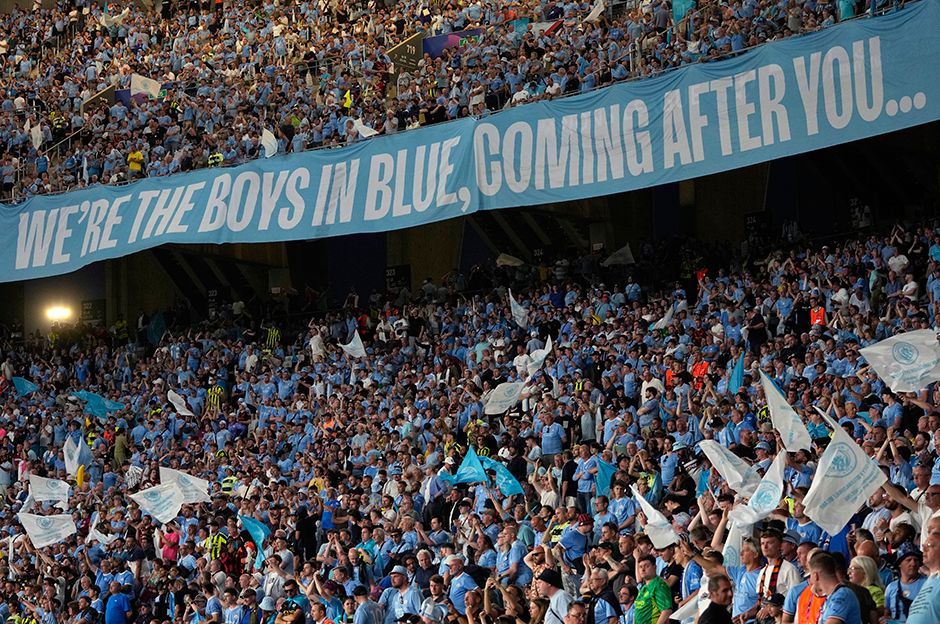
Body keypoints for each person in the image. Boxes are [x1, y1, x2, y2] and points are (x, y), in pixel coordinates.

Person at [632, 555, 673, 624]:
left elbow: (666, 611)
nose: (642, 569)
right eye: (640, 567)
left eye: (646, 566)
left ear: (655, 568)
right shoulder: (643, 588)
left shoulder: (659, 585)